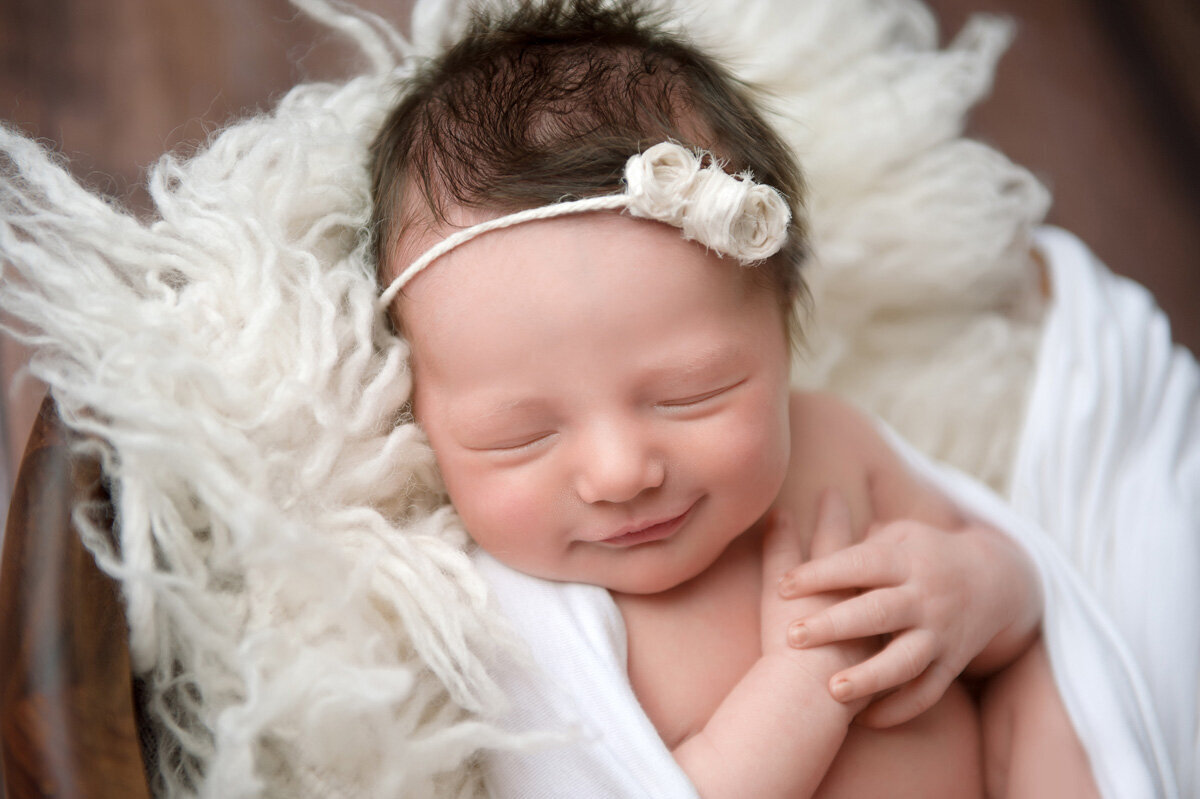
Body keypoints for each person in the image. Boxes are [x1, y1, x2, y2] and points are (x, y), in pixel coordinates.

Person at [369, 1, 1099, 795]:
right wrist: (807, 679)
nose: (620, 472)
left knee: (1058, 711)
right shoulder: (523, 622)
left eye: (691, 395)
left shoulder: (834, 449)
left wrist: (974, 587)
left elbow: (1029, 607)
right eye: (522, 436)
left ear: (783, 338)